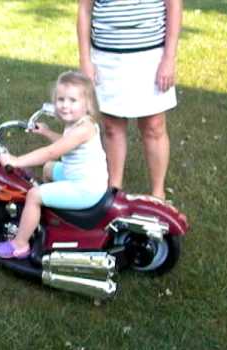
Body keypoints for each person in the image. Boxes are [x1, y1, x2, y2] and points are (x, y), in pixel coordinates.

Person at [0, 71, 109, 259]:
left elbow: (52, 151)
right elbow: (65, 142)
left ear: (87, 104)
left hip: (86, 189)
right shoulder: (78, 123)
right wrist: (47, 132)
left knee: (33, 195)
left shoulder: (84, 128)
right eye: (61, 99)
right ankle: (48, 215)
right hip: (80, 176)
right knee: (48, 168)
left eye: (72, 100)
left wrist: (16, 160)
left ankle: (20, 244)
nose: (65, 105)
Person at [77, 0, 182, 200]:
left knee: (154, 126)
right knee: (112, 127)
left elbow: (174, 5)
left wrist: (169, 58)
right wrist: (85, 60)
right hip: (107, 57)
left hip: (151, 56)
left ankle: (158, 194)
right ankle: (114, 191)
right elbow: (84, 9)